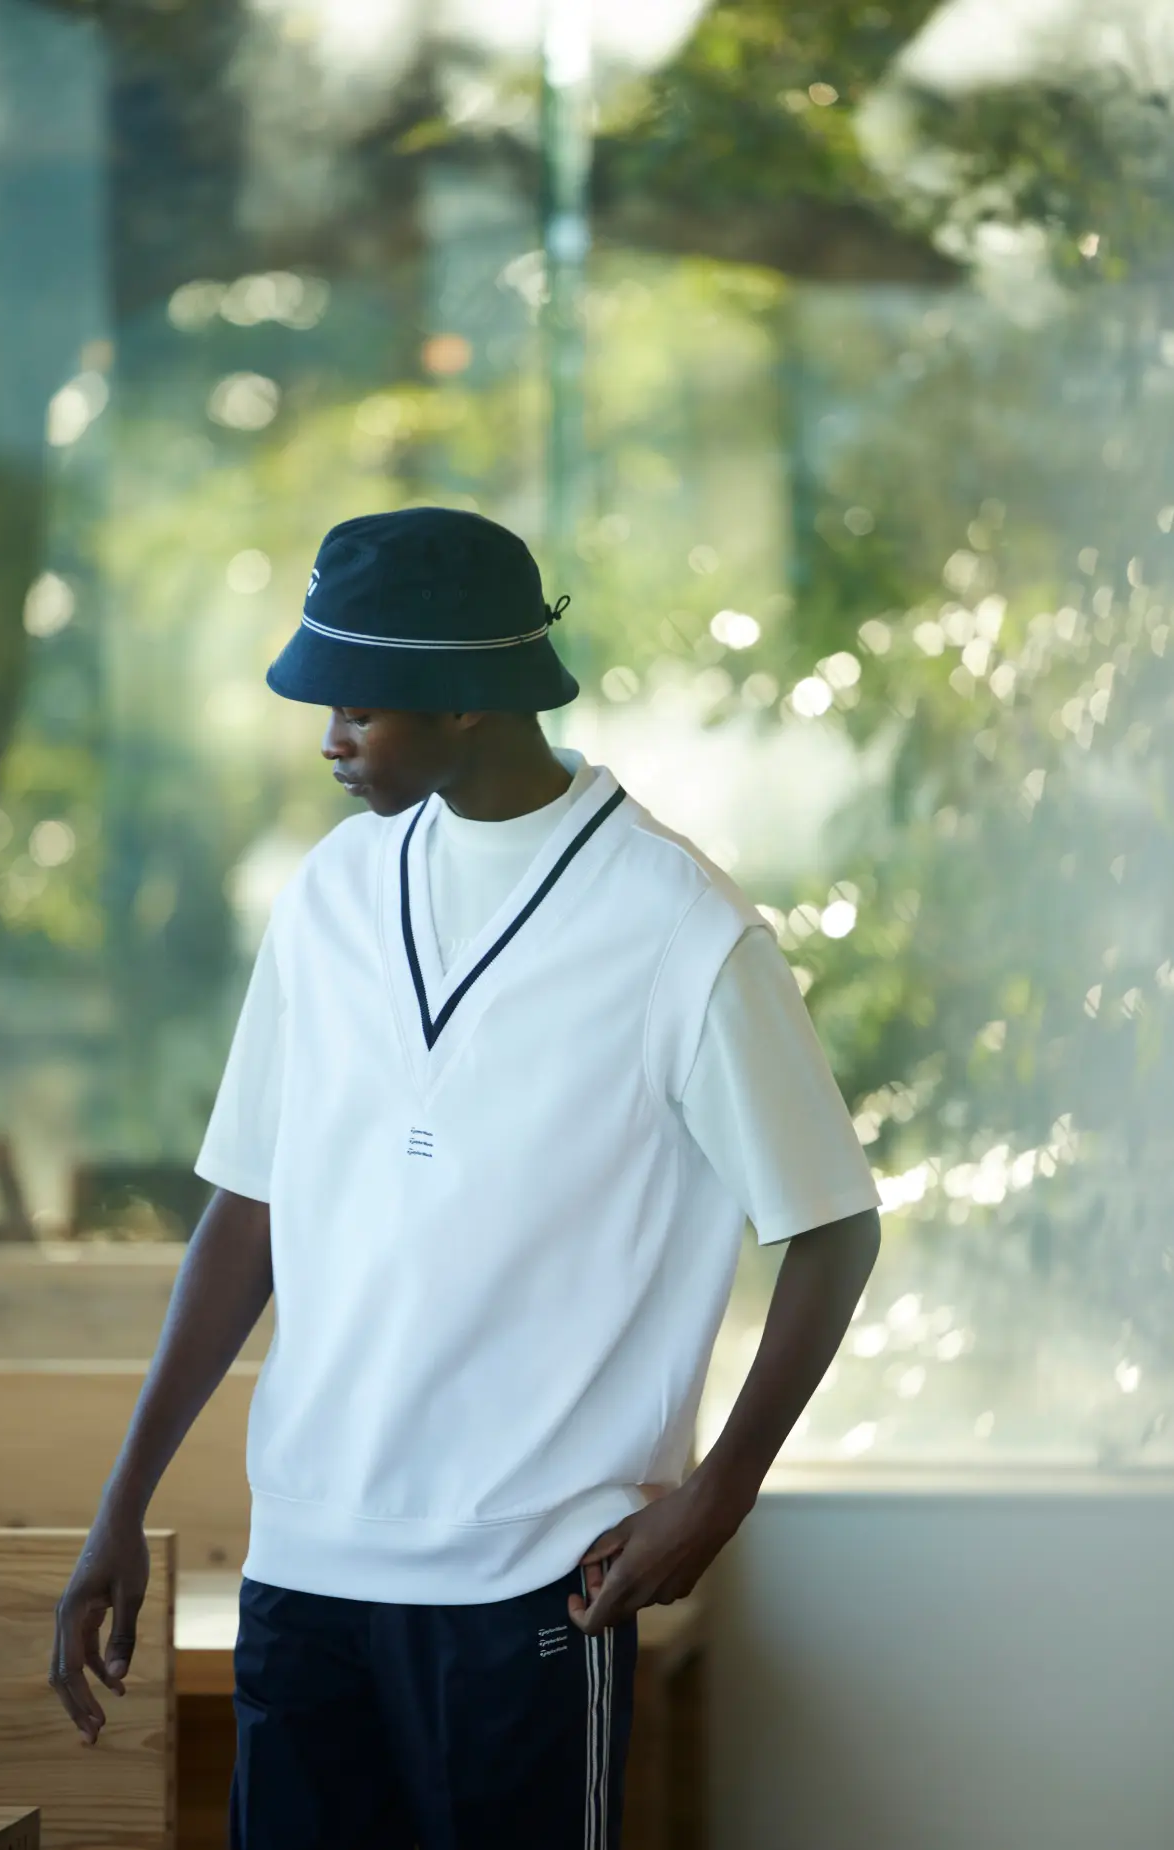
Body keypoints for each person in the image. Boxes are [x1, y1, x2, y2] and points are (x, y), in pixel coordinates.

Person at [50, 506, 881, 1848]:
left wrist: (713, 1499)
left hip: (535, 1586)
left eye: (357, 707)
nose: (328, 738)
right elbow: (247, 1210)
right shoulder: (329, 891)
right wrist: (120, 1503)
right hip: (305, 1571)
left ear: (464, 704)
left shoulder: (681, 926)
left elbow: (835, 1227)